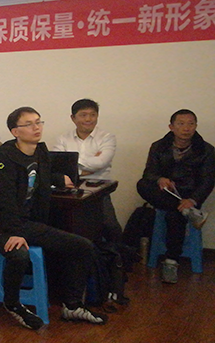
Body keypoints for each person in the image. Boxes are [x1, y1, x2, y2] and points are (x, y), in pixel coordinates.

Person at [0, 107, 107, 330]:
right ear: (15, 132)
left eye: (38, 122)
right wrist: (15, 232)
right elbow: (3, 200)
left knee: (82, 246)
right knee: (19, 254)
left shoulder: (40, 152)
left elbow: (39, 178)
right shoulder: (4, 157)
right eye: (28, 124)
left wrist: (58, 178)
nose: (36, 127)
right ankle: (12, 304)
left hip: (27, 223)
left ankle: (72, 305)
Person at [137, 109, 214, 284]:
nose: (186, 128)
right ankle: (186, 212)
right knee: (142, 184)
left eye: (191, 124)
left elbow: (208, 181)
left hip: (189, 195)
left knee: (174, 215)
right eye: (181, 124)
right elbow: (149, 173)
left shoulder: (206, 150)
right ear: (171, 127)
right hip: (166, 193)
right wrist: (160, 179)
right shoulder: (158, 146)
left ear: (196, 126)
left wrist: (192, 201)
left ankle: (171, 262)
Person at [53, 98, 123, 245]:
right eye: (83, 115)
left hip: (99, 188)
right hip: (70, 188)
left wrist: (72, 162)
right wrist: (87, 166)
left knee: (110, 226)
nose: (88, 119)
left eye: (92, 115)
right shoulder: (63, 139)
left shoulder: (107, 138)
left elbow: (101, 163)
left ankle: (116, 255)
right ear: (73, 118)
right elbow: (58, 165)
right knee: (66, 225)